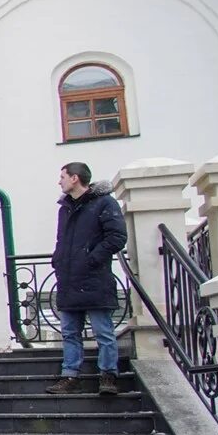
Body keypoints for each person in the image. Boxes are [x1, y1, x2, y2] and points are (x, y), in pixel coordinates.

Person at [49, 162, 128, 396]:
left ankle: (108, 376)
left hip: (94, 278)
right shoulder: (65, 208)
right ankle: (70, 376)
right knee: (70, 332)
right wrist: (58, 260)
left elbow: (117, 237)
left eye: (62, 176)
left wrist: (92, 259)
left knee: (103, 331)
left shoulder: (105, 203)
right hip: (69, 278)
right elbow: (61, 240)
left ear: (75, 178)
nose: (59, 181)